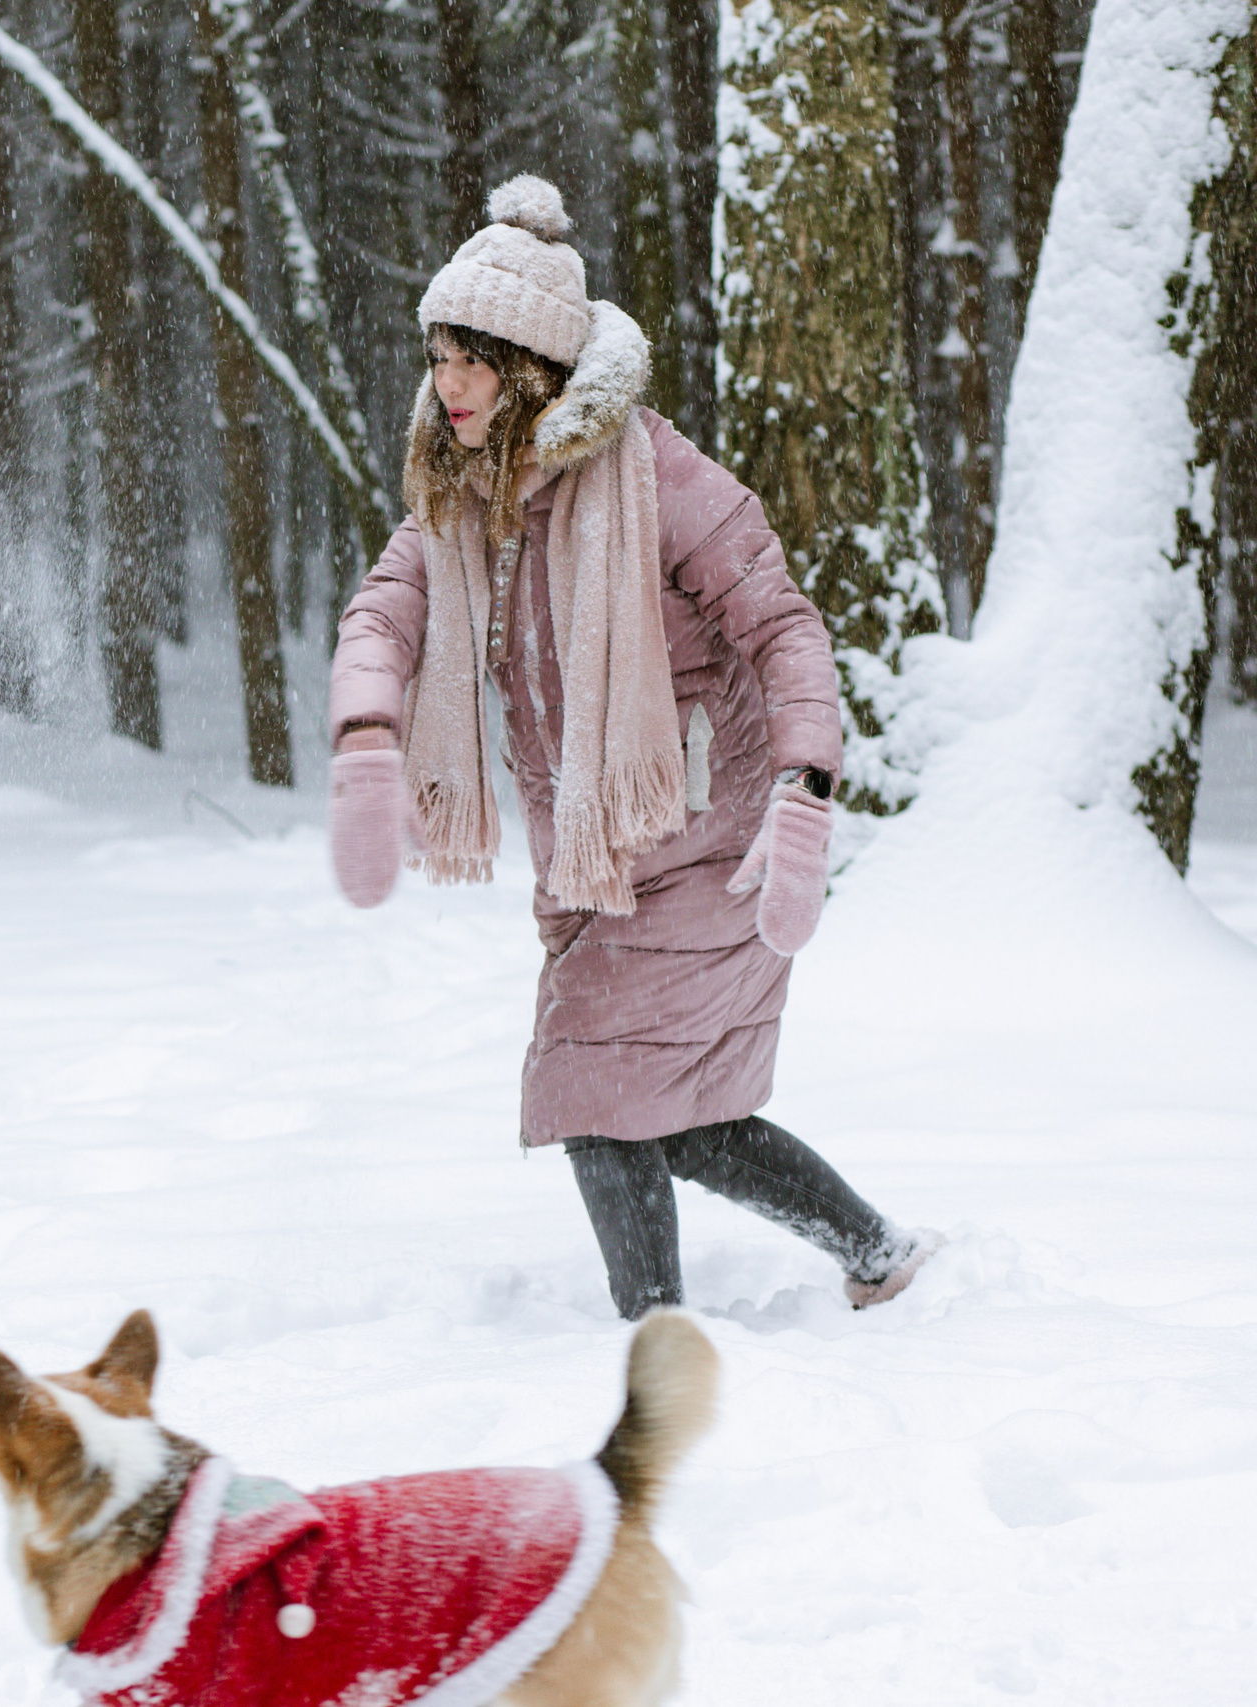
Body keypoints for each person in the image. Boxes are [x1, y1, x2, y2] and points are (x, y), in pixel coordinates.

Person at [326, 177, 933, 1320]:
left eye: (469, 360)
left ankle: (655, 1341)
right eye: (437, 356)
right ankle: (877, 1255)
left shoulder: (660, 480)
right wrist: (367, 732)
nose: (444, 384)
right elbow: (385, 612)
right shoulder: (466, 496)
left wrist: (804, 795)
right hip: (593, 862)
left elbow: (784, 629)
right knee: (686, 1116)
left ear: (533, 370)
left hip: (713, 841)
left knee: (591, 1088)